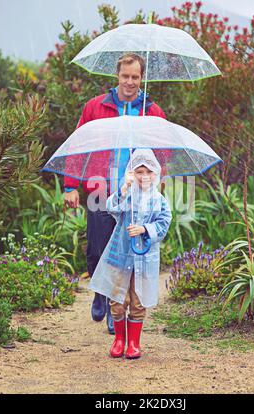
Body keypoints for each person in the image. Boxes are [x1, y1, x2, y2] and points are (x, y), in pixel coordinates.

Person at [64, 53, 167, 334]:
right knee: (97, 249)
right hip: (100, 187)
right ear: (117, 76)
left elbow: (163, 153)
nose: (130, 82)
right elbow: (78, 146)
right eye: (125, 76)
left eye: (135, 77)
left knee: (124, 255)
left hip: (134, 196)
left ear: (141, 77)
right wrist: (71, 186)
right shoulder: (96, 107)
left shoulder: (151, 111)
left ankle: (114, 308)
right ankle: (99, 292)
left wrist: (157, 185)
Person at [88, 149, 172, 359]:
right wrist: (124, 188)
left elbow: (163, 223)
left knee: (138, 299)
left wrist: (145, 230)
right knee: (117, 299)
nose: (144, 177)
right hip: (121, 255)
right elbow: (111, 208)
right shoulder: (127, 195)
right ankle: (119, 340)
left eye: (148, 172)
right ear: (131, 173)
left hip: (144, 259)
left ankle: (134, 343)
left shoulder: (159, 200)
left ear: (156, 173)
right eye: (139, 171)